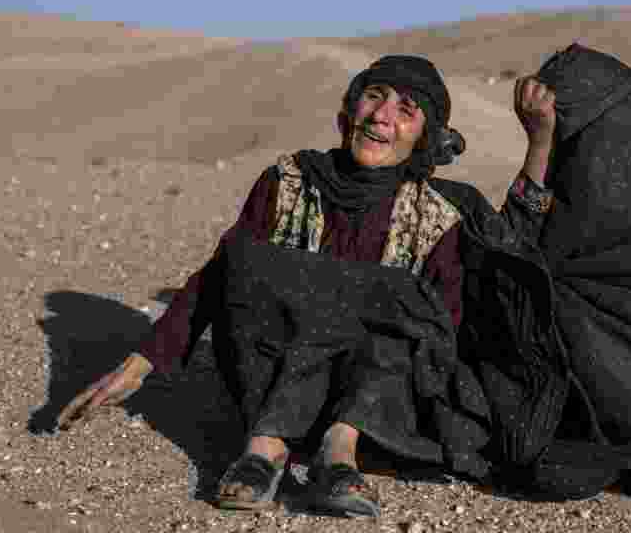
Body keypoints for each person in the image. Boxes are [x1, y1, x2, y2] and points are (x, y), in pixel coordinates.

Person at [57, 54, 559, 518]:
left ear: (424, 137)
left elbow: (508, 257)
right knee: (249, 261)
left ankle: (338, 454)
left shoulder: (441, 213)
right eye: (374, 95)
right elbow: (219, 278)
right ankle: (265, 449)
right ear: (349, 109)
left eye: (405, 110)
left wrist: (539, 143)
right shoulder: (288, 180)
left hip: (374, 405)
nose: (382, 116)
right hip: (268, 374)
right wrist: (144, 359)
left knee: (412, 307)